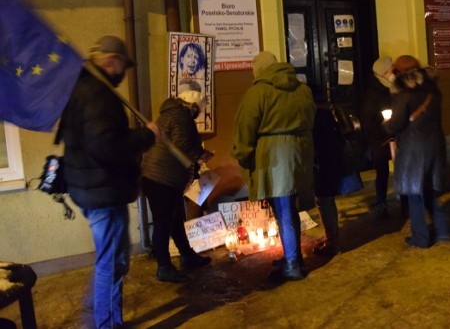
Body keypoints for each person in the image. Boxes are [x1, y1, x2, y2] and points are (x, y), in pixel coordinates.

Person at [60, 35, 159, 328]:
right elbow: (107, 146)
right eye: (122, 66)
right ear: (112, 61)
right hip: (103, 193)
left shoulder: (83, 88)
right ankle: (104, 324)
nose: (122, 74)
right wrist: (147, 135)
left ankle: (110, 321)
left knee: (115, 262)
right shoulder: (97, 94)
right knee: (110, 264)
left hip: (97, 189)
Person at [231, 51, 315, 281]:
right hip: (299, 153)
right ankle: (294, 256)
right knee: (289, 209)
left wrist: (244, 156)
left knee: (284, 210)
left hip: (274, 157)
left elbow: (245, 128)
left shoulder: (258, 92)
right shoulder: (302, 90)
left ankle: (292, 264)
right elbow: (311, 118)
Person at [141, 81, 214, 283]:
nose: (198, 113)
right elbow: (182, 144)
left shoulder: (169, 114)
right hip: (162, 178)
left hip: (157, 176)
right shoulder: (181, 115)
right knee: (164, 222)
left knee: (173, 220)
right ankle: (164, 267)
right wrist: (199, 155)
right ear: (193, 104)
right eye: (199, 109)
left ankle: (187, 255)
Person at [382, 55, 450, 248]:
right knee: (430, 191)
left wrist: (386, 124)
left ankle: (420, 238)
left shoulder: (404, 93)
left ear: (400, 72)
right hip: (434, 144)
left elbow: (395, 124)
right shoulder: (433, 88)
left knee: (415, 194)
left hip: (414, 150)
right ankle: (444, 230)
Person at [312, 103, 364, 256]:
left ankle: (333, 244)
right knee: (326, 201)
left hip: (324, 163)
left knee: (323, 200)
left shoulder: (315, 115)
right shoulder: (327, 112)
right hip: (333, 160)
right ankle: (331, 238)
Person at [359, 56, 394, 218]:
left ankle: (403, 203)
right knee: (382, 173)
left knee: (397, 169)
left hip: (391, 137)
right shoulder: (373, 94)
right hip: (380, 140)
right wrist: (384, 127)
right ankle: (381, 203)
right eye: (390, 71)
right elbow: (368, 121)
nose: (393, 73)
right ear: (382, 73)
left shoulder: (389, 88)